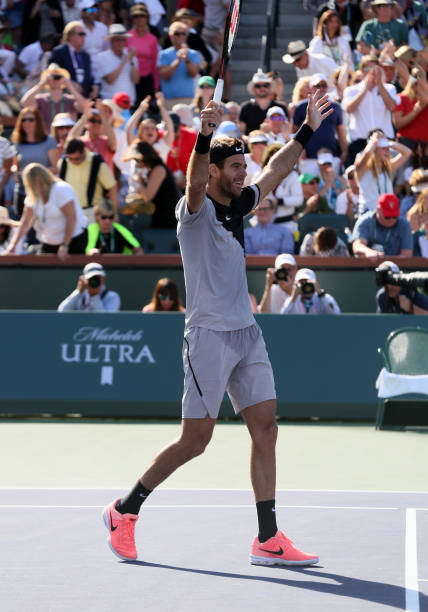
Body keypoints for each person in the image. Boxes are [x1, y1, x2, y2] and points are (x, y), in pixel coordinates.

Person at [102, 89, 333, 565]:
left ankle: (267, 538)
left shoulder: (240, 202)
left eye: (242, 167)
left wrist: (306, 129)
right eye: (234, 168)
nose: (243, 173)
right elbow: (191, 182)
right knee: (195, 440)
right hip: (207, 334)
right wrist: (204, 135)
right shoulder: (194, 212)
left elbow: (276, 171)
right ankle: (124, 511)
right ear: (213, 172)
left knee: (265, 428)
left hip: (246, 331)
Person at [5, 163, 87, 258]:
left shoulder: (61, 189)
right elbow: (25, 222)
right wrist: (12, 246)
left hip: (73, 240)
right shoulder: (32, 196)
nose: (35, 184)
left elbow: (71, 218)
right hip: (49, 241)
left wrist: (65, 245)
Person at [342, 55, 400, 165]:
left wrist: (379, 85)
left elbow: (392, 106)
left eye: (375, 69)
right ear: (361, 70)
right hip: (361, 142)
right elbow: (349, 109)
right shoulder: (352, 90)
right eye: (367, 68)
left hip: (384, 140)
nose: (371, 72)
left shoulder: (389, 88)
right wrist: (365, 89)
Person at [293, 73, 347, 174]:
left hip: (331, 157)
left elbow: (341, 131)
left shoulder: (336, 107)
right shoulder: (300, 106)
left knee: (332, 187)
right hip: (308, 159)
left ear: (327, 87)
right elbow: (294, 131)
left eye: (324, 85)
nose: (321, 88)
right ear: (311, 87)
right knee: (309, 188)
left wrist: (344, 152)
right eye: (317, 86)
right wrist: (299, 150)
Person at [11, 107, 58, 218]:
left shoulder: (49, 141)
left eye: (30, 119)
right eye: (24, 120)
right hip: (23, 190)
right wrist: (14, 172)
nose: (27, 123)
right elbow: (14, 165)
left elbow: (55, 167)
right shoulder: (18, 142)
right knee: (22, 224)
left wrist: (34, 174)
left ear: (37, 121)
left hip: (44, 191)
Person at [124, 140, 181, 228]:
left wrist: (138, 182)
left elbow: (147, 196)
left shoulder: (158, 170)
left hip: (167, 220)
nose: (137, 163)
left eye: (137, 160)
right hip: (161, 217)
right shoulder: (155, 169)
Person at [59, 138, 117, 222]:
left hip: (92, 213)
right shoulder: (63, 163)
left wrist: (113, 213)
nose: (73, 161)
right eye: (70, 158)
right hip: (70, 213)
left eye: (76, 158)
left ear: (83, 152)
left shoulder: (96, 162)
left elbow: (112, 187)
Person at [355, 129, 411, 216]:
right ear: (375, 150)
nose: (388, 152)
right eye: (384, 149)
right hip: (369, 214)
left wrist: (390, 143)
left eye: (388, 149)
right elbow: (367, 153)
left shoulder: (387, 167)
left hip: (387, 213)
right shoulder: (362, 168)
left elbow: (407, 152)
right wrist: (375, 141)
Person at [20, 63, 85, 132]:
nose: (55, 79)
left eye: (58, 76)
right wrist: (42, 83)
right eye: (52, 76)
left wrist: (68, 85)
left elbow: (85, 108)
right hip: (46, 139)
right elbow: (24, 103)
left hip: (67, 138)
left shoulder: (71, 99)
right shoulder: (40, 99)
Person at [352, 192, 413, 258]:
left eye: (395, 216)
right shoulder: (365, 221)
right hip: (368, 265)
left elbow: (407, 254)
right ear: (378, 210)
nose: (392, 219)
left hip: (396, 266)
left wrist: (387, 262)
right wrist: (368, 252)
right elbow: (357, 245)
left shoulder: (404, 224)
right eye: (387, 217)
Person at [158, 21, 200, 110]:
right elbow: (165, 76)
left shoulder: (193, 54)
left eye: (183, 33)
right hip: (169, 101)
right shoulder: (164, 54)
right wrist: (178, 60)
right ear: (171, 36)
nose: (181, 36)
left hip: (188, 100)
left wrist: (187, 59)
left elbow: (193, 74)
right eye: (177, 33)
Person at [67, 99, 116, 174]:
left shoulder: (106, 141)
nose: (96, 124)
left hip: (105, 184)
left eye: (100, 121)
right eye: (92, 120)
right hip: (85, 182)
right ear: (86, 123)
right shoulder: (80, 142)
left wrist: (103, 115)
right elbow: (70, 141)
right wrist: (85, 116)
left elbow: (113, 144)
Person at [96, 24, 139, 108]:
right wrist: (125, 60)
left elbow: (136, 80)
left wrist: (131, 61)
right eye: (117, 40)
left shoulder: (130, 55)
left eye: (122, 40)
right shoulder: (102, 57)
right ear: (111, 41)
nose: (120, 43)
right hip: (109, 104)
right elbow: (110, 80)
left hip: (128, 103)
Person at [50, 20, 97, 98]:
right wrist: (69, 83)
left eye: (84, 34)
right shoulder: (59, 52)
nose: (83, 37)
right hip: (65, 98)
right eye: (81, 34)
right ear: (70, 36)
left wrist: (95, 86)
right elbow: (53, 72)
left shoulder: (85, 55)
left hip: (83, 99)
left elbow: (89, 76)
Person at [125, 92, 174, 162]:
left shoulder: (163, 145)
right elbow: (129, 130)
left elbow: (170, 128)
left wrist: (161, 107)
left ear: (157, 133)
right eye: (146, 128)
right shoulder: (136, 146)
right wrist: (140, 109)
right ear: (140, 132)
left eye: (153, 128)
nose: (150, 131)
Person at [127, 4, 159, 106]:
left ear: (147, 18)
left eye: (142, 16)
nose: (139, 19)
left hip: (147, 79)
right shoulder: (127, 37)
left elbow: (155, 62)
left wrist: (156, 84)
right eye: (136, 16)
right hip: (131, 78)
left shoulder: (152, 39)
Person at [239, 70, 288, 136]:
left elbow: (286, 128)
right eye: (258, 86)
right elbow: (242, 132)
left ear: (270, 87)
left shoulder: (280, 107)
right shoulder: (245, 107)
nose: (262, 88)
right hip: (252, 143)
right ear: (253, 88)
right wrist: (247, 139)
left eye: (266, 85)